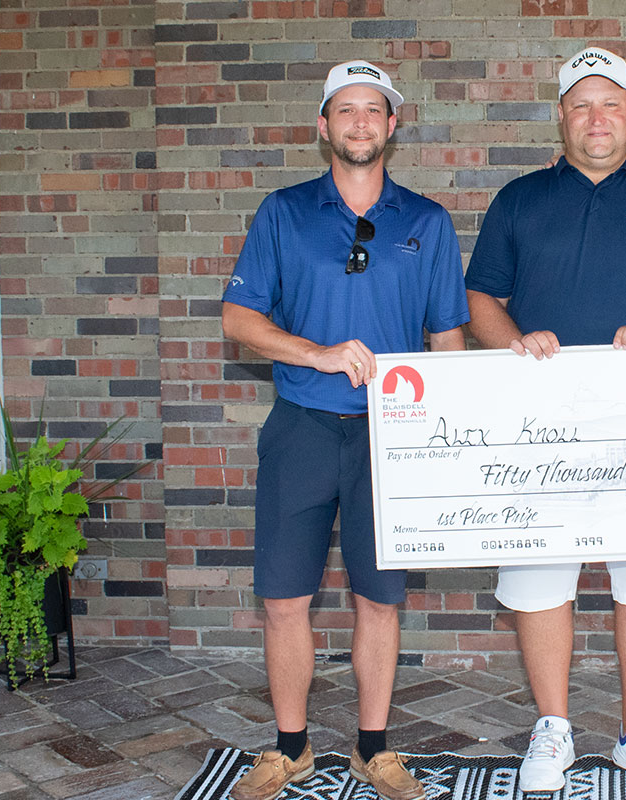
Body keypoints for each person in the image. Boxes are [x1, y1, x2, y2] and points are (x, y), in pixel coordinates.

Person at [464, 47, 626, 795]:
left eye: (610, 103)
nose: (597, 118)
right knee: (539, 572)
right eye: (581, 104)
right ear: (561, 116)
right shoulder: (519, 199)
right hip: (540, 423)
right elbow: (481, 295)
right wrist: (513, 342)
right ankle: (553, 728)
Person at [221, 60, 469, 800]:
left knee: (379, 599)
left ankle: (373, 750)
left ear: (393, 124)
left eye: (374, 109)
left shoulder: (426, 221)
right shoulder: (283, 212)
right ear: (323, 125)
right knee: (284, 599)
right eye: (346, 109)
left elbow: (448, 339)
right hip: (301, 426)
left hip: (388, 439)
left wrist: (449, 433)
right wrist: (318, 353)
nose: (360, 122)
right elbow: (239, 320)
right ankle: (290, 748)